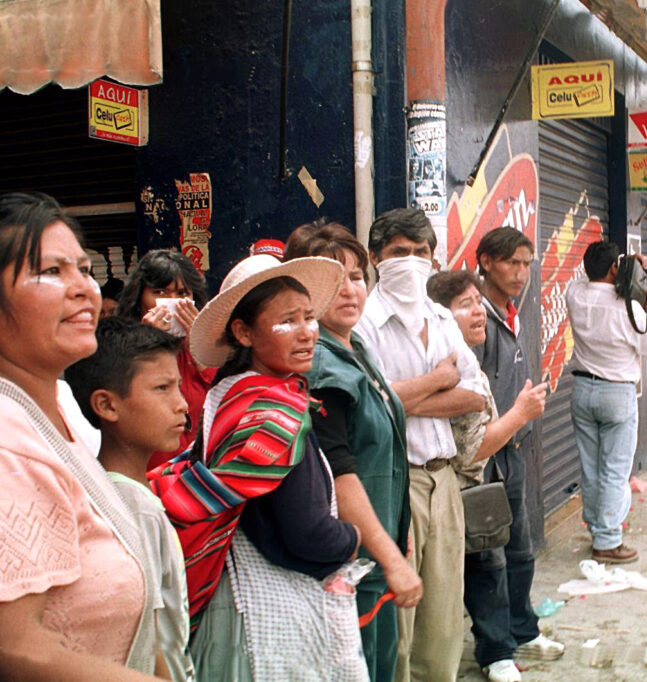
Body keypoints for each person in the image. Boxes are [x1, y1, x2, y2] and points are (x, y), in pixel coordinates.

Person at [150, 253, 368, 680]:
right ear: (243, 332)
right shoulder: (273, 413)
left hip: (231, 601)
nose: (307, 332)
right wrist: (352, 539)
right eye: (288, 320)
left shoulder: (228, 396)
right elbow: (304, 532)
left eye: (309, 317)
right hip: (266, 615)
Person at [0, 192, 161, 679]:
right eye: (51, 272)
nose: (83, 289)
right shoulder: (8, 441)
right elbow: (17, 650)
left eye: (84, 269)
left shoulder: (62, 408)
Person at [284, 219, 423, 682]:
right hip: (352, 570)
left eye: (357, 276)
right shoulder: (322, 362)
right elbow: (340, 476)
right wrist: (391, 557)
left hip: (374, 562)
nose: (349, 290)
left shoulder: (354, 347)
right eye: (332, 279)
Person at [354, 207, 488, 682]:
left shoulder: (440, 316)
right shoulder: (364, 322)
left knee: (444, 622)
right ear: (375, 258)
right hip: (398, 483)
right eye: (398, 253)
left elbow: (476, 394)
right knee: (400, 624)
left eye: (421, 252)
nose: (411, 262)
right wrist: (437, 380)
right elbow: (366, 402)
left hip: (445, 479)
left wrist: (404, 395)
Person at [452, 228, 565, 681]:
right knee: (489, 556)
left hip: (513, 447)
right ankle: (495, 649)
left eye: (526, 263)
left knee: (520, 548)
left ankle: (522, 628)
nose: (520, 272)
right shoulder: (475, 319)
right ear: (485, 262)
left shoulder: (508, 313)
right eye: (510, 263)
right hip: (485, 456)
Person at [65, 317, 196, 682]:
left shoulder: (115, 489)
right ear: (107, 405)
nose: (181, 404)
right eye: (162, 388)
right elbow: (156, 636)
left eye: (179, 387)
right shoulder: (131, 505)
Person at [566, 240, 647, 564]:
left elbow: (584, 277)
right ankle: (607, 541)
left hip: (582, 391)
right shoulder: (631, 307)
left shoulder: (575, 296)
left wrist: (618, 266)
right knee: (614, 470)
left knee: (591, 468)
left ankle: (598, 529)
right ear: (614, 268)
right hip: (617, 394)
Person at [117, 249, 214, 468]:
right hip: (148, 474)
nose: (172, 303)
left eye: (181, 294)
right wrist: (145, 344)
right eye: (160, 292)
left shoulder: (210, 348)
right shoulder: (121, 346)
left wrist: (199, 348)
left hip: (201, 475)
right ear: (140, 297)